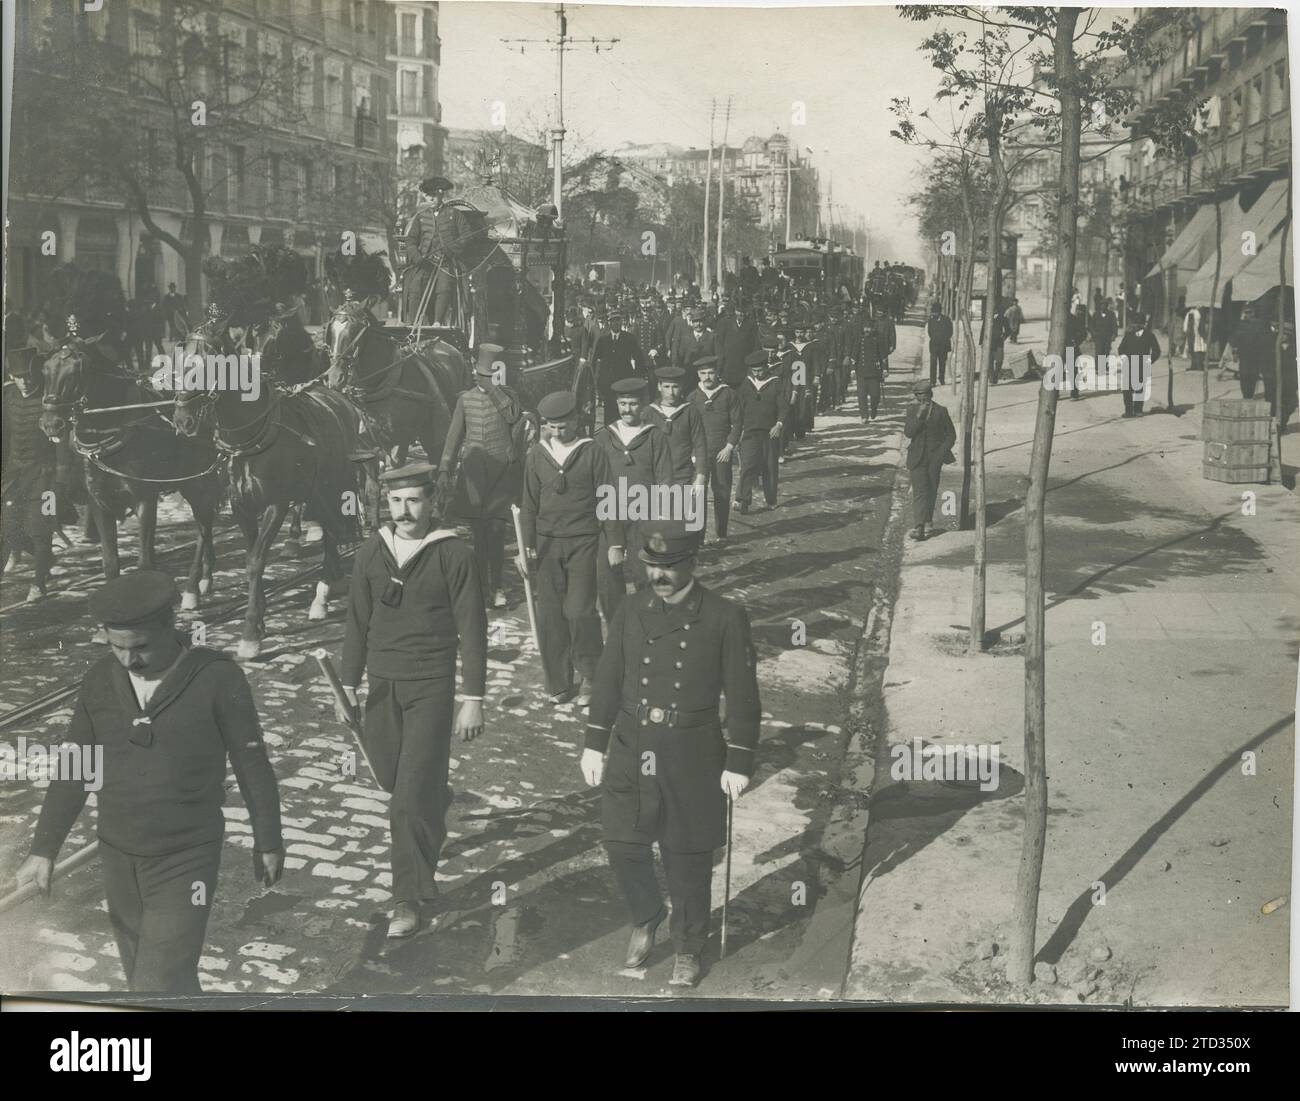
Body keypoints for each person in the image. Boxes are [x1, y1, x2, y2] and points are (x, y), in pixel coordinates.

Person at [16, 572, 284, 992]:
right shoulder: (100, 680)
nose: (128, 660)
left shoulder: (217, 678)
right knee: (156, 978)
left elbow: (252, 761)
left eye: (140, 648)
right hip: (118, 854)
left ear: (170, 627)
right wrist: (43, 849)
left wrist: (268, 839)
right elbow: (75, 766)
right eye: (116, 647)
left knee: (156, 984)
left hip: (186, 857)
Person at [581, 519, 761, 987]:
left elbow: (743, 696)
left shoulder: (724, 615)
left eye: (669, 567)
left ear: (692, 564)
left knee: (687, 857)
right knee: (621, 843)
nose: (658, 576)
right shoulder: (630, 608)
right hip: (631, 742)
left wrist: (738, 761)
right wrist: (593, 743)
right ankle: (646, 914)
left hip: (692, 751)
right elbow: (607, 678)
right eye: (651, 567)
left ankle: (688, 946)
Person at [340, 463, 487, 938]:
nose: (404, 511)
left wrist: (473, 698)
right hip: (382, 686)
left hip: (431, 685)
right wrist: (347, 686)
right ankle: (434, 796)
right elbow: (355, 622)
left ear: (431, 502)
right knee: (395, 780)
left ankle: (408, 898)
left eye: (414, 501)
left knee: (404, 801)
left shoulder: (454, 554)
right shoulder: (370, 553)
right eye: (396, 501)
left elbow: (473, 629)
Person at [518, 391, 619, 706]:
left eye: (563, 426)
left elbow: (608, 498)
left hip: (584, 542)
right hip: (547, 546)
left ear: (576, 420)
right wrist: (525, 548)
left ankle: (590, 674)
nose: (557, 432)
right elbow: (528, 504)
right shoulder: (536, 454)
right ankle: (558, 681)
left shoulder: (592, 451)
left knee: (578, 611)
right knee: (550, 615)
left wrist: (615, 542)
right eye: (551, 426)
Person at [437, 343, 530, 610]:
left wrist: (492, 389)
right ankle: (480, 586)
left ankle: (497, 585)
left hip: (502, 474)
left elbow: (513, 416)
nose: (482, 379)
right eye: (480, 374)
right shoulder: (464, 399)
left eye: (488, 375)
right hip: (474, 476)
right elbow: (453, 437)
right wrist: (444, 468)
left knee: (497, 531)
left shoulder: (507, 396)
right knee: (478, 535)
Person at [593, 377, 674, 619]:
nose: (627, 409)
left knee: (644, 572)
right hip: (610, 515)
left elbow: (665, 479)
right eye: (622, 403)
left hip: (644, 515)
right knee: (607, 575)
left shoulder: (654, 437)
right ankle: (616, 624)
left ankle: (647, 623)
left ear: (643, 406)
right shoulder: (604, 437)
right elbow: (594, 478)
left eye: (633, 404)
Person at [688, 356, 742, 544]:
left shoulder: (729, 394)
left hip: (721, 453)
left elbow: (737, 424)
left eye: (711, 372)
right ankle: (698, 537)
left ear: (717, 373)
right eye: (703, 373)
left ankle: (721, 534)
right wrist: (692, 453)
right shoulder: (693, 397)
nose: (707, 377)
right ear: (698, 374)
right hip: (700, 455)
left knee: (722, 492)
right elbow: (687, 427)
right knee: (697, 494)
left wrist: (729, 446)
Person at [402, 176, 463, 327]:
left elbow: (466, 237)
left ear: (441, 193)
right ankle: (414, 324)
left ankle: (437, 323)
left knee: (444, 288)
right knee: (415, 287)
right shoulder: (421, 217)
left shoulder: (454, 214)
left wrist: (449, 251)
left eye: (434, 195)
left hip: (445, 263)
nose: (431, 198)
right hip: (424, 263)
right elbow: (410, 241)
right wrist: (417, 257)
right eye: (429, 195)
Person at [735, 348, 788, 514]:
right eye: (754, 370)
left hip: (769, 432)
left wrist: (779, 424)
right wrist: (738, 429)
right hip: (750, 432)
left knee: (769, 467)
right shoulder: (746, 385)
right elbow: (739, 409)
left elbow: (783, 407)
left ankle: (771, 499)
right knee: (748, 466)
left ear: (767, 367)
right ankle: (742, 499)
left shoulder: (776, 383)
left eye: (760, 370)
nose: (757, 373)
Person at [903, 379, 956, 541]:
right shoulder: (912, 411)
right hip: (917, 457)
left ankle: (927, 521)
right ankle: (919, 525)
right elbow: (909, 433)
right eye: (918, 396)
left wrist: (941, 453)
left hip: (935, 458)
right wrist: (919, 416)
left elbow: (951, 435)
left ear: (930, 395)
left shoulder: (941, 411)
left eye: (924, 396)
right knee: (919, 491)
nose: (921, 400)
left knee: (931, 488)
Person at [592, 311, 650, 425]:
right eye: (613, 321)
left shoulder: (629, 338)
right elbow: (595, 360)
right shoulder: (603, 340)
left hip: (624, 382)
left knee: (624, 410)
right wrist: (598, 380)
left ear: (621, 322)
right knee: (609, 411)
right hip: (607, 384)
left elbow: (638, 359)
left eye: (618, 320)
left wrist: (638, 378)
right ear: (609, 323)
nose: (616, 323)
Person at [1116, 313, 1159, 417]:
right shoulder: (1129, 335)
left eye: (1137, 324)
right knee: (1127, 390)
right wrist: (1123, 358)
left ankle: (1138, 410)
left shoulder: (1149, 335)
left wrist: (1150, 360)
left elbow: (1157, 351)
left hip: (1142, 366)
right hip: (1129, 365)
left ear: (1142, 324)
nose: (1134, 326)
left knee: (1140, 389)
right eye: (1134, 323)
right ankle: (1129, 411)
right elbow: (1121, 348)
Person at [855, 309, 883, 422]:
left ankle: (874, 408)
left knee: (875, 395)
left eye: (869, 328)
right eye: (865, 327)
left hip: (874, 372)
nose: (867, 330)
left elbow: (883, 357)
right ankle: (864, 416)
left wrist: (885, 369)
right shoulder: (859, 339)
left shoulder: (877, 339)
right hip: (861, 372)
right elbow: (854, 355)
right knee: (861, 396)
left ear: (872, 329)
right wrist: (852, 369)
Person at [926, 303, 953, 386]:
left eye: (935, 312)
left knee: (942, 363)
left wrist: (943, 339)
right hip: (934, 345)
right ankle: (932, 381)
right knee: (933, 363)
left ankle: (942, 379)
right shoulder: (930, 321)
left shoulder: (946, 320)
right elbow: (929, 332)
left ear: (939, 312)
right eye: (933, 312)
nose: (933, 314)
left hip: (943, 346)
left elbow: (950, 332)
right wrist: (935, 338)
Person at [1183, 306, 1208, 372]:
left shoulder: (1189, 313)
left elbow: (1185, 327)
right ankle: (1199, 365)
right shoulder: (1201, 313)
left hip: (1192, 333)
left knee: (1193, 350)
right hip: (1198, 333)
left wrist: (1186, 331)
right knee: (1199, 350)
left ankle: (1194, 365)